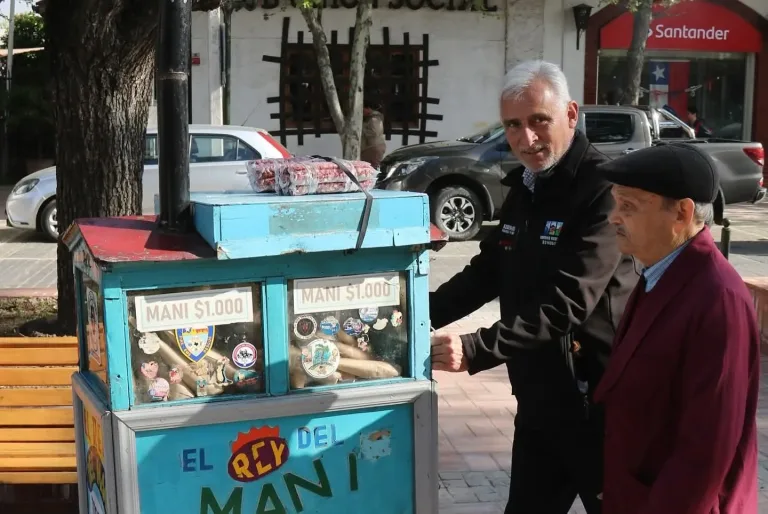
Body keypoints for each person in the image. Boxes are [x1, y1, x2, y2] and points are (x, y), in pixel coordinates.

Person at [429, 59, 639, 514]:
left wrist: (477, 348)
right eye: (513, 125)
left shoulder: (603, 190)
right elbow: (488, 271)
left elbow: (568, 301)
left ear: (570, 114)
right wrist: (406, 316)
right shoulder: (527, 186)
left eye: (538, 121)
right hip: (541, 398)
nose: (526, 139)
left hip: (597, 404)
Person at [593, 142, 760, 514]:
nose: (613, 218)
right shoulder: (658, 272)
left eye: (629, 207)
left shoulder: (718, 299)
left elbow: (705, 453)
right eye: (615, 204)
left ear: (682, 212)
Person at [360, 101, 386, 169]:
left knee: (371, 169)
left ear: (368, 108)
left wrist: (361, 130)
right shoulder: (370, 118)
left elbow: (375, 132)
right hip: (371, 148)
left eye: (363, 109)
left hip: (373, 147)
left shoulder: (374, 118)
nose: (362, 112)